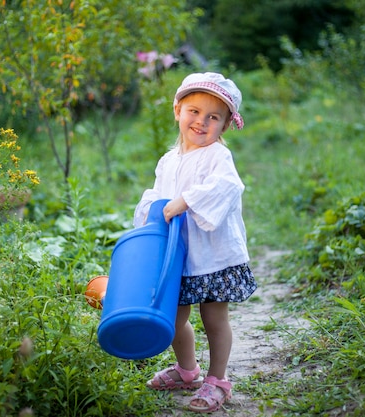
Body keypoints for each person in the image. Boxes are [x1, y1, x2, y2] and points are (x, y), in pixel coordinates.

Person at [134, 72, 257, 413]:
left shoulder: (218, 157)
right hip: (180, 255)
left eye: (213, 117)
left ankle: (218, 381)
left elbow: (227, 188)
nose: (201, 122)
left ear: (225, 125)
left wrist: (186, 200)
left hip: (214, 255)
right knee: (173, 317)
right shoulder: (168, 160)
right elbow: (159, 201)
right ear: (177, 110)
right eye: (194, 111)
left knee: (214, 318)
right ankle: (188, 371)